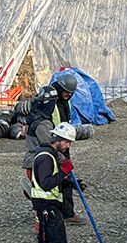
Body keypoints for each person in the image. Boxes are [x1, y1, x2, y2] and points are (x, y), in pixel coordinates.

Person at [22, 83, 84, 225]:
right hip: (40, 161)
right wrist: (64, 162)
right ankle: (44, 226)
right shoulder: (43, 124)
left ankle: (49, 221)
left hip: (34, 161)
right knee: (44, 195)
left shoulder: (34, 117)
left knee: (43, 193)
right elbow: (51, 145)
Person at [31, 122, 77, 243]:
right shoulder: (45, 157)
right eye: (67, 142)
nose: (68, 146)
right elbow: (46, 183)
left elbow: (52, 181)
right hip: (48, 207)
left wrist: (70, 183)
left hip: (45, 206)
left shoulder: (49, 155)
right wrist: (64, 172)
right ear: (58, 139)